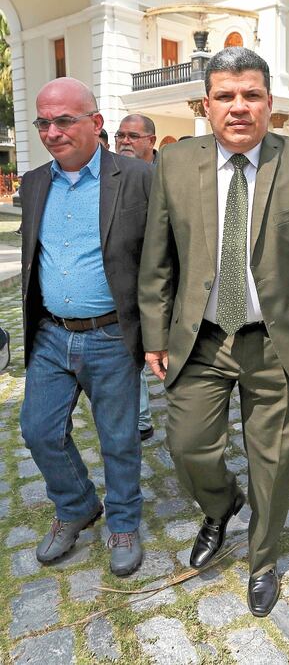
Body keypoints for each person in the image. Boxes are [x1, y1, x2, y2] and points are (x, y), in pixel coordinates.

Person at [138, 47, 289, 618]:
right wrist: (155, 336)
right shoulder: (176, 165)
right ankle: (221, 503)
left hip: (278, 341)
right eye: (226, 96)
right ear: (206, 104)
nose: (239, 107)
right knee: (187, 447)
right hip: (201, 339)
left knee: (275, 459)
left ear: (269, 102)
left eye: (251, 95)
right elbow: (157, 260)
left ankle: (262, 559)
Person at [20, 77, 151, 576]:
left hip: (112, 334)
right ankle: (77, 506)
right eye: (44, 122)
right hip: (52, 333)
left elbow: (163, 257)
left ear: (96, 123)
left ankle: (123, 521)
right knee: (38, 429)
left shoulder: (136, 178)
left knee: (118, 438)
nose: (52, 132)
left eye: (65, 120)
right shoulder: (34, 183)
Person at [115, 113, 157, 441]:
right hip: (125, 287)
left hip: (162, 284)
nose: (125, 141)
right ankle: (140, 419)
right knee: (131, 351)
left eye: (133, 136)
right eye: (120, 136)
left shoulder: (167, 175)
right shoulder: (109, 178)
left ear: (150, 141)